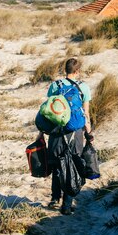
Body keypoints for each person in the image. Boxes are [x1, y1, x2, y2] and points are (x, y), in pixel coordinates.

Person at [38, 57, 93, 215]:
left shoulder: (55, 85)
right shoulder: (83, 87)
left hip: (57, 131)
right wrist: (88, 133)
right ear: (77, 71)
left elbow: (49, 111)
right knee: (73, 167)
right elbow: (86, 113)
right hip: (74, 132)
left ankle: (55, 199)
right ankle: (67, 205)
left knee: (57, 164)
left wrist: (41, 133)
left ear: (65, 70)